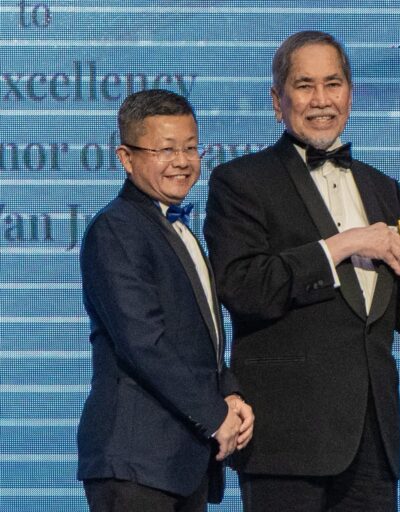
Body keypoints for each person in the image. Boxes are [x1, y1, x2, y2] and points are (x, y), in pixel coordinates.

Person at [203, 30, 400, 511]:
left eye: (333, 84)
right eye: (304, 85)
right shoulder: (240, 181)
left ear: (350, 93)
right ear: (277, 101)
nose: (321, 100)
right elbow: (243, 287)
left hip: (372, 442)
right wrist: (343, 245)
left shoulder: (383, 188)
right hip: (287, 441)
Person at [77, 89, 254, 512]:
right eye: (166, 150)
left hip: (180, 461)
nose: (182, 161)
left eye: (190, 148)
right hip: (136, 461)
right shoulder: (117, 229)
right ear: (126, 158)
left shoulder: (180, 230)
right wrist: (214, 415)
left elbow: (195, 337)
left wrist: (228, 392)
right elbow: (144, 343)